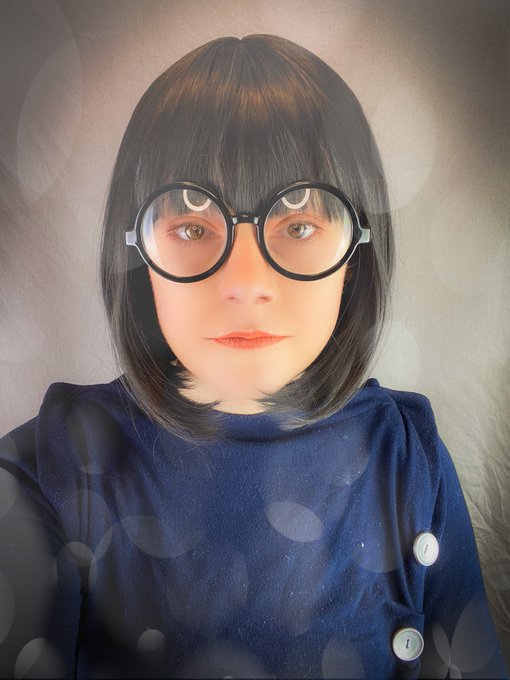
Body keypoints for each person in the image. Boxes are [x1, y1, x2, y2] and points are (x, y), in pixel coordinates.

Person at [0, 34, 507, 680]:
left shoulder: (408, 463)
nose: (245, 283)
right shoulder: (47, 470)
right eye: (192, 227)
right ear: (136, 253)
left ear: (355, 255)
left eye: (298, 226)